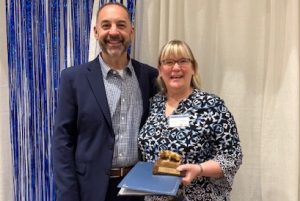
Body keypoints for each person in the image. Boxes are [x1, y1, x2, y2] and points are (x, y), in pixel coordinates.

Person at [52, 3, 158, 201]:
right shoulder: (74, 78)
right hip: (91, 189)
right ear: (96, 32)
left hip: (139, 187)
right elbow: (62, 141)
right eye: (106, 25)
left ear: (131, 31)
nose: (114, 32)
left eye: (121, 25)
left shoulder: (149, 76)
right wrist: (68, 195)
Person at [138, 40, 243, 201]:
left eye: (183, 61)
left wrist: (199, 169)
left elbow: (232, 157)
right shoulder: (153, 104)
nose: (176, 68)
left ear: (193, 68)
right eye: (169, 62)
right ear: (160, 69)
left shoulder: (212, 106)